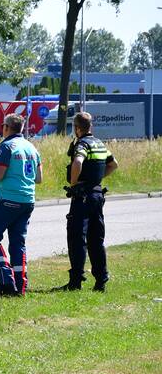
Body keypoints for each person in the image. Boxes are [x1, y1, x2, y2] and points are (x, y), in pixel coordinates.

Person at [0, 113, 42, 296]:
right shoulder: (32, 148)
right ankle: (20, 285)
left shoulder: (6, 147)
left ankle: (6, 279)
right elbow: (38, 178)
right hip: (27, 201)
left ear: (6, 128)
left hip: (7, 199)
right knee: (18, 243)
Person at [60, 111, 117, 292]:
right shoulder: (99, 144)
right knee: (96, 239)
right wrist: (97, 179)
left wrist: (75, 183)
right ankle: (101, 280)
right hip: (97, 195)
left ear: (76, 128)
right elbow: (113, 164)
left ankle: (76, 281)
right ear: (90, 126)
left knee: (77, 238)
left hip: (82, 197)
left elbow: (77, 162)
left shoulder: (82, 144)